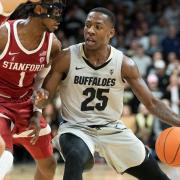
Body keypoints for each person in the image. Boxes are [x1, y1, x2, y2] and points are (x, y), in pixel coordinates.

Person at [35, 7, 180, 180]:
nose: (90, 30)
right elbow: (45, 97)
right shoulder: (67, 57)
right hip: (76, 129)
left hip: (112, 128)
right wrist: (41, 100)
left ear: (111, 32)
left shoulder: (124, 64)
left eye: (97, 26)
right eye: (87, 25)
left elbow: (152, 103)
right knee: (75, 155)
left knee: (156, 176)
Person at [0, 0, 64, 179]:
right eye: (56, 12)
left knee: (49, 166)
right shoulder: (4, 34)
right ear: (39, 9)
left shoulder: (53, 45)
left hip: (26, 105)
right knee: (4, 155)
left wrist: (37, 111)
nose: (60, 18)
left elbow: (40, 81)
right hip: (1, 103)